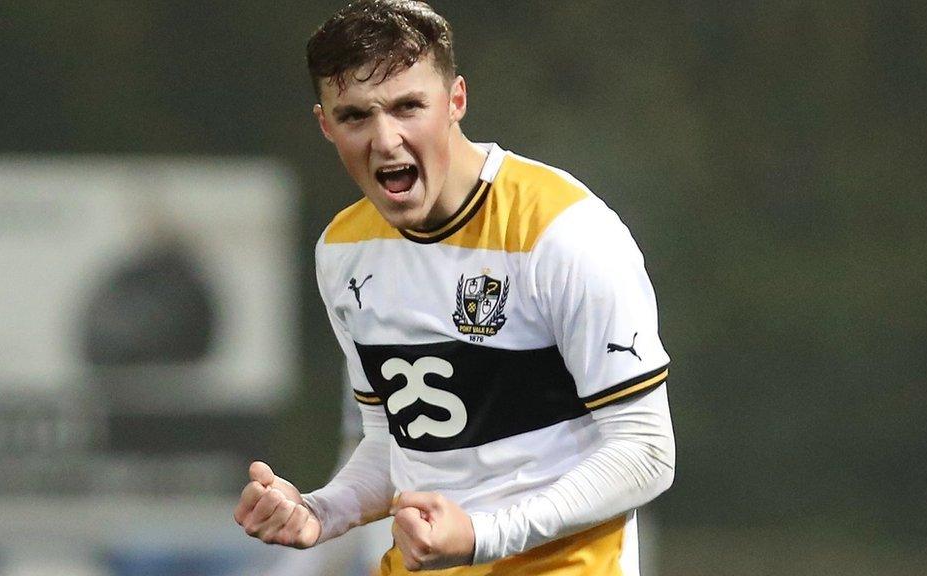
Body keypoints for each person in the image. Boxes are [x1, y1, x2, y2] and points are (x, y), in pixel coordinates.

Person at [234, 1, 676, 574]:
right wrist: (320, 511)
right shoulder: (343, 251)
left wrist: (482, 536)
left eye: (407, 107)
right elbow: (396, 446)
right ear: (325, 124)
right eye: (355, 116)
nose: (386, 139)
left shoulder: (562, 231)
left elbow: (646, 451)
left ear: (456, 101)